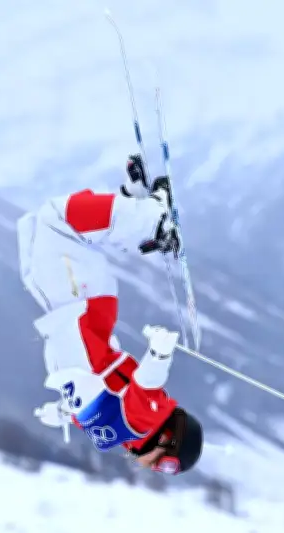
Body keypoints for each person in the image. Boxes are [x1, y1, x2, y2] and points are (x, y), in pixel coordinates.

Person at [16, 154, 203, 475]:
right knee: (57, 220)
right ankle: (151, 220)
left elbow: (88, 403)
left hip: (82, 313)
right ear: (170, 438)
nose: (158, 468)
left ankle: (137, 212)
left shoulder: (115, 433)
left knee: (49, 252)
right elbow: (146, 383)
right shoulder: (144, 421)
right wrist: (159, 354)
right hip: (80, 311)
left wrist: (61, 412)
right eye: (168, 464)